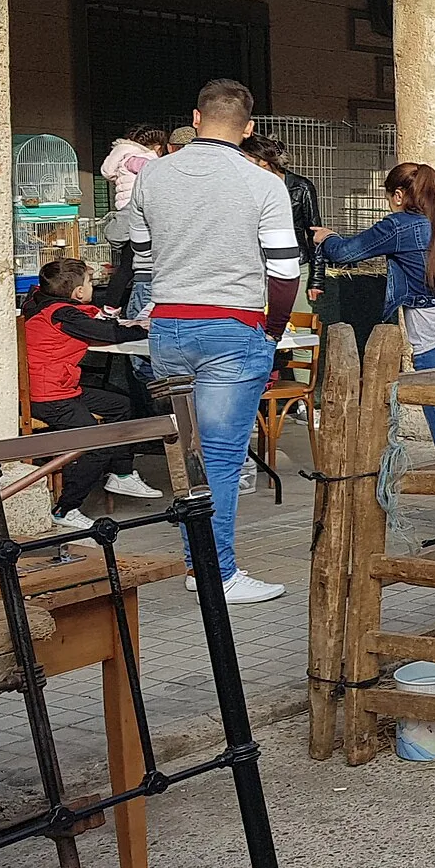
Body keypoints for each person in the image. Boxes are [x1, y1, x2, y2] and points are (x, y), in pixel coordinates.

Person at [130, 78, 297, 604]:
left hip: (169, 325)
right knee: (223, 456)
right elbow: (286, 270)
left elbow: (140, 251)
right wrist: (271, 329)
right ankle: (215, 572)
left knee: (183, 453)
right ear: (248, 130)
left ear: (196, 119)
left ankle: (196, 561)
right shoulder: (262, 182)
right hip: (232, 325)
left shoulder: (152, 175)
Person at [315, 163, 435, 544]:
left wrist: (326, 237)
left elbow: (347, 253)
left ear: (399, 196)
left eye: (390, 197)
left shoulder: (400, 225)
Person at [20, 258, 162, 530]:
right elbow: (106, 333)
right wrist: (138, 327)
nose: (92, 287)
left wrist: (118, 324)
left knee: (120, 405)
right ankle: (66, 508)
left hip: (57, 387)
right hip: (51, 397)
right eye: (89, 283)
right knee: (95, 445)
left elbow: (91, 326)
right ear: (78, 293)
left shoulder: (42, 304)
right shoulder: (65, 314)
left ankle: (121, 472)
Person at [241, 134, 325, 306]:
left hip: (297, 267)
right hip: (258, 269)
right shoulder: (247, 188)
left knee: (298, 328)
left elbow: (316, 235)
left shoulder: (301, 187)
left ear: (263, 162)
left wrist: (317, 279)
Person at [98, 125, 169, 313]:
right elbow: (153, 170)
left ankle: (112, 306)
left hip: (125, 209)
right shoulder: (139, 158)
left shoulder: (122, 157)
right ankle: (111, 306)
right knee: (131, 266)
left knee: (128, 265)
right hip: (137, 210)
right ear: (156, 146)